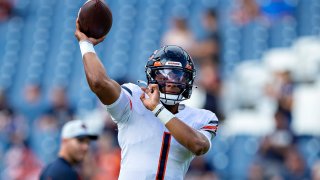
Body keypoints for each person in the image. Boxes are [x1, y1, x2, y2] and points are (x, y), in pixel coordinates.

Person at [74, 18, 219, 179]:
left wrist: (158, 109)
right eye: (164, 75)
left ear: (188, 80)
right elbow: (98, 83)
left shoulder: (203, 118)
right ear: (152, 77)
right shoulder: (134, 98)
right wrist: (86, 44)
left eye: (177, 76)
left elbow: (199, 146)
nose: (170, 82)